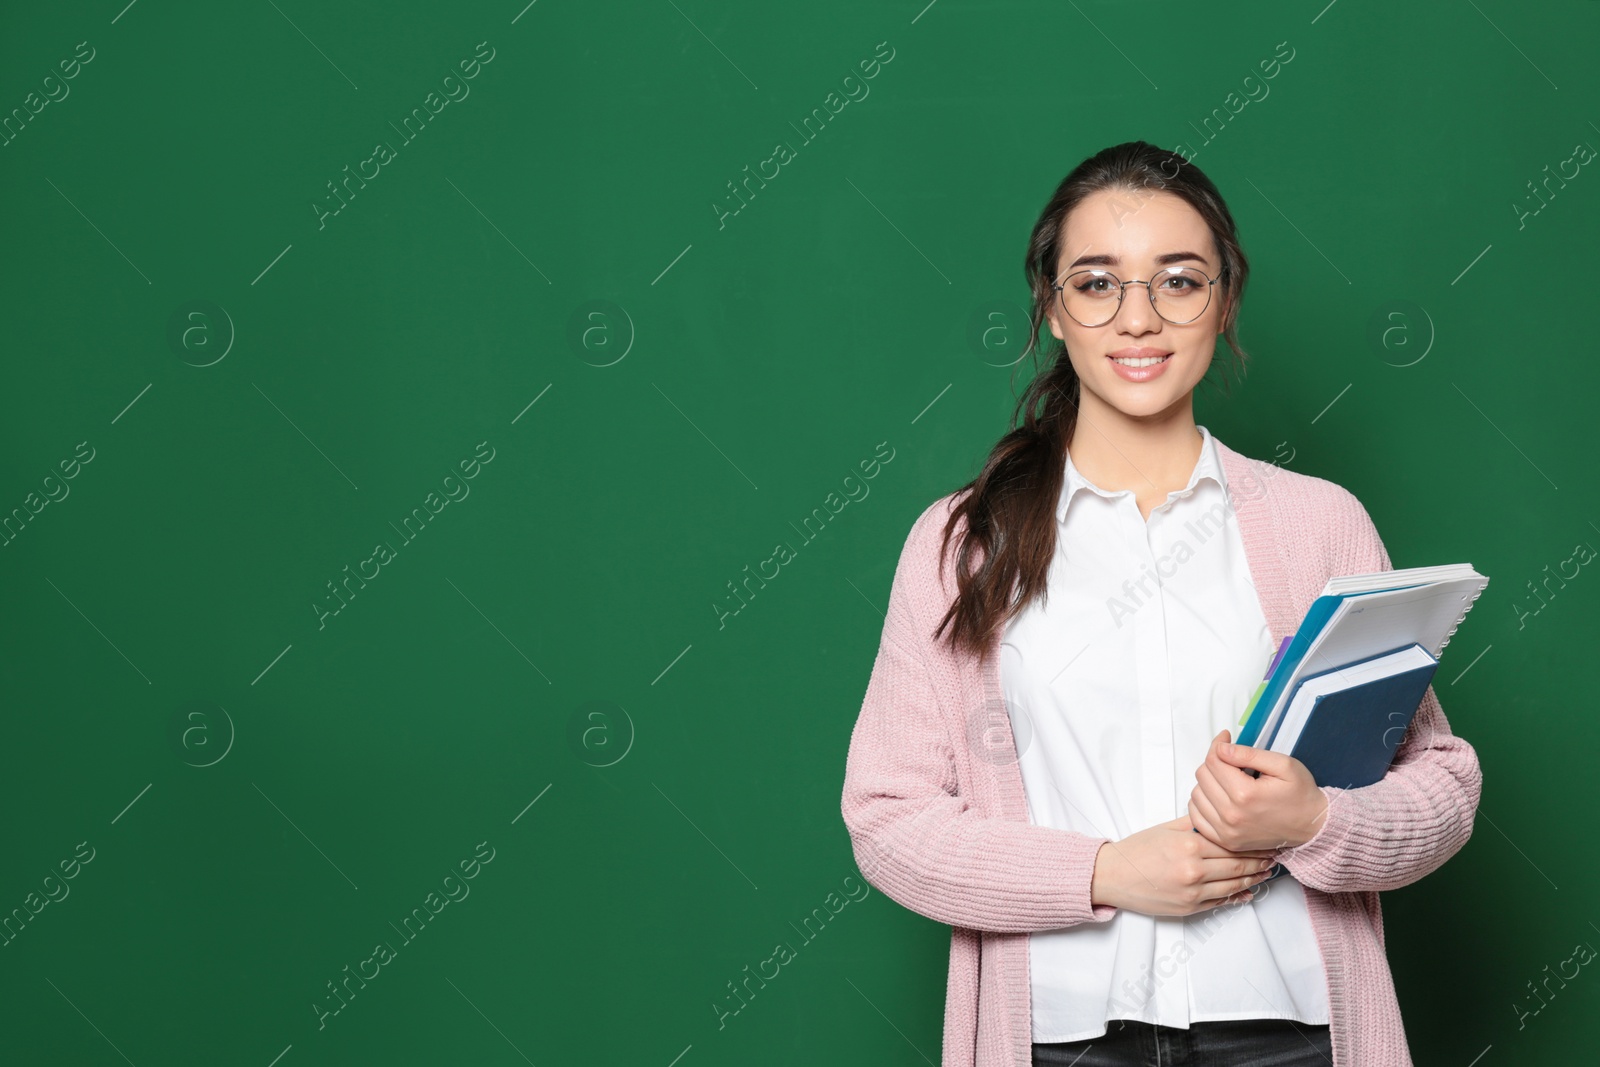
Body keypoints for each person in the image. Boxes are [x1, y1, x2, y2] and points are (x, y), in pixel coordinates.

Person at [839, 141, 1481, 1067]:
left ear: (1223, 302)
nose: (1137, 318)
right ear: (1050, 308)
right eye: (1097, 283)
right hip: (1056, 1039)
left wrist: (1313, 822)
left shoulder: (1319, 524)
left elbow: (1442, 785)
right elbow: (888, 817)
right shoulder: (962, 543)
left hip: (1293, 1034)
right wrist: (1104, 872)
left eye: (1178, 281)